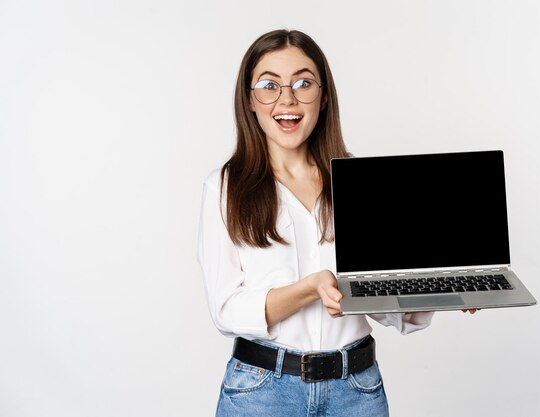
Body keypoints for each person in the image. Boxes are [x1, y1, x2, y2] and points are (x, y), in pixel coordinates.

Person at [198, 29, 475, 417]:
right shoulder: (225, 187)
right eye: (269, 85)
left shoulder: (359, 182)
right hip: (262, 392)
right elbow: (226, 310)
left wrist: (444, 290)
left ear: (323, 96)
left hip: (355, 390)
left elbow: (380, 302)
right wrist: (309, 289)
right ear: (250, 99)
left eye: (303, 83)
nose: (287, 99)